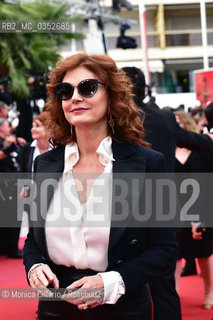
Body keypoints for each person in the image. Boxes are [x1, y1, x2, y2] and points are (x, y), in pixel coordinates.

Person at [23, 53, 178, 320]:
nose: (75, 97)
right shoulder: (45, 164)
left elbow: (165, 249)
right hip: (54, 308)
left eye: (87, 87)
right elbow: (33, 240)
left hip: (123, 309)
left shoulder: (148, 163)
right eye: (65, 91)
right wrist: (35, 265)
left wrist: (109, 283)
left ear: (112, 95)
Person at [174, 110, 213, 310]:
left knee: (204, 253)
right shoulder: (166, 150)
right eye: (174, 123)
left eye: (180, 122)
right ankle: (174, 294)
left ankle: (209, 291)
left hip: (201, 205)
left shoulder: (201, 149)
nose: (177, 126)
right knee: (174, 254)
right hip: (174, 208)